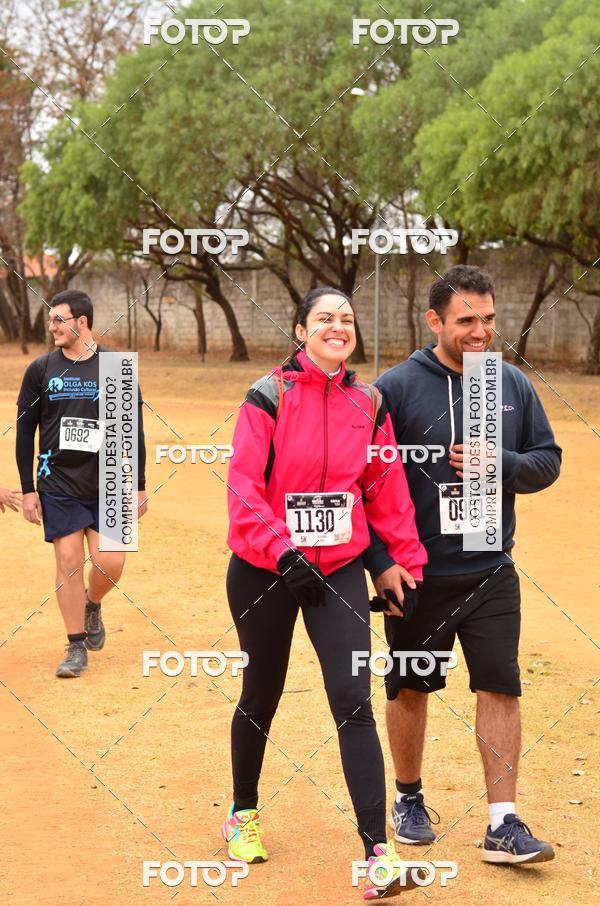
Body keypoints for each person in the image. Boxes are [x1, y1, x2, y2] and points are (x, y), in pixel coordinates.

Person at [223, 286, 428, 899]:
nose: (337, 327)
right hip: (265, 570)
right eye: (324, 319)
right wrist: (282, 553)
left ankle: (377, 854)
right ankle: (243, 811)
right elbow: (242, 488)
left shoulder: (370, 402)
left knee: (352, 696)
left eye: (346, 319)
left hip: (336, 569)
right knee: (263, 689)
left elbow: (383, 488)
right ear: (300, 331)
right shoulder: (268, 395)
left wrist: (397, 563)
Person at [364, 265, 561, 866]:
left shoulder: (509, 385)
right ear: (434, 322)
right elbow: (362, 482)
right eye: (466, 321)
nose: (481, 332)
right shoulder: (394, 388)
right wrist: (381, 564)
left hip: (490, 568)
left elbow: (547, 462)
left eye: (489, 319)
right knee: (409, 687)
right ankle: (409, 797)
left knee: (501, 685)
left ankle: (503, 824)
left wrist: (496, 460)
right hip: (417, 572)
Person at [16, 289, 148, 678]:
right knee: (69, 560)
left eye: (59, 319)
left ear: (82, 323)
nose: (52, 326)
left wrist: (139, 483)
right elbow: (25, 433)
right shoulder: (41, 369)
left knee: (111, 562)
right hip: (58, 481)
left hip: (108, 478)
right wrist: (27, 489)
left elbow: (133, 429)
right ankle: (75, 647)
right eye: (51, 320)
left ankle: (93, 604)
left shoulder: (115, 366)